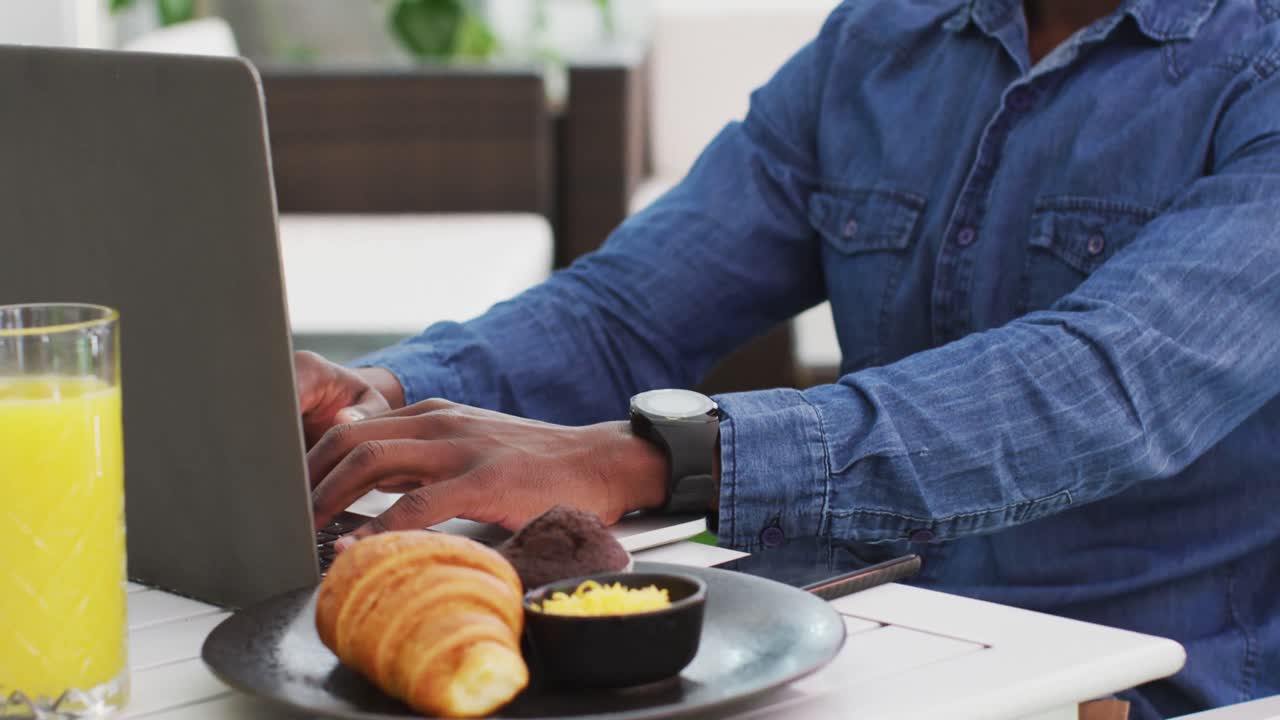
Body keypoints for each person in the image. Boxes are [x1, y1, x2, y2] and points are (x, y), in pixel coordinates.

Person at [296, 1, 1280, 717]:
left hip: (1138, 682)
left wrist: (657, 455)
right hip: (861, 647)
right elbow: (627, 307)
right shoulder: (884, 37)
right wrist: (381, 395)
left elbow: (1103, 383)